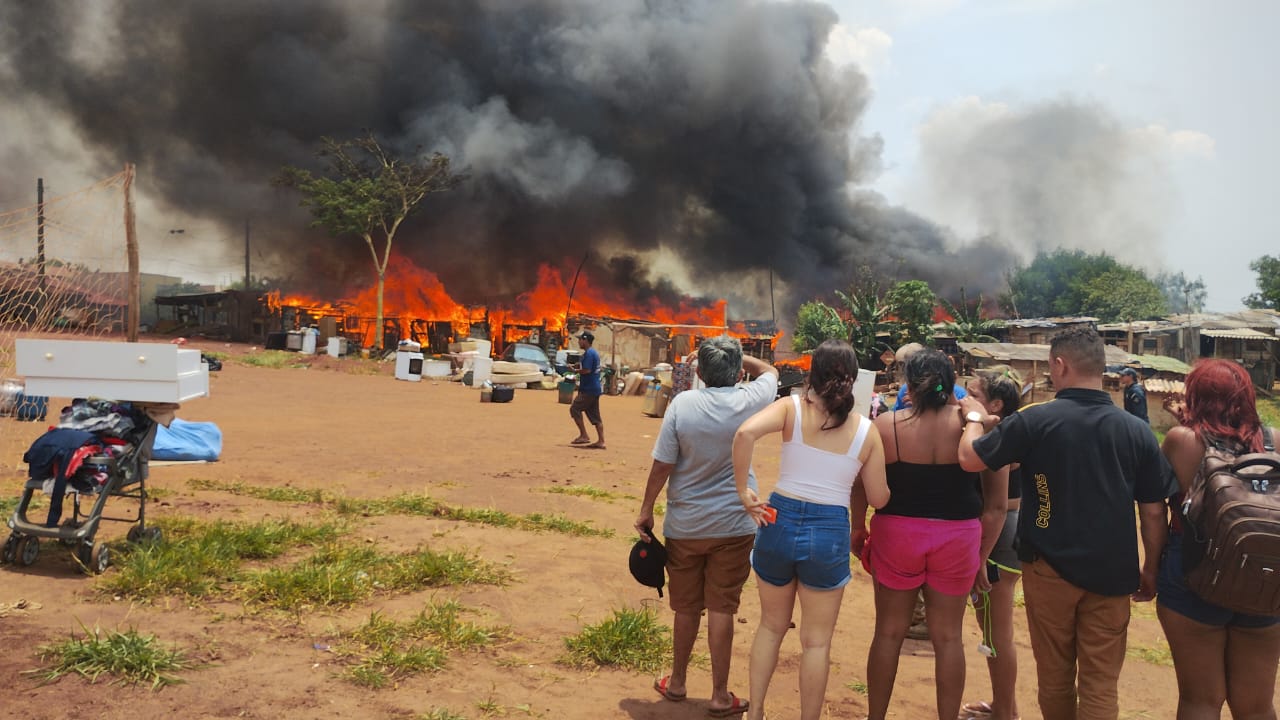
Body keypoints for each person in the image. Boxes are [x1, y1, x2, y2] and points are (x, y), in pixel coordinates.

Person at [958, 326, 1175, 720]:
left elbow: (972, 459)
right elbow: (1154, 510)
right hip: (1113, 573)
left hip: (1049, 568)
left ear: (1060, 365)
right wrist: (1151, 567)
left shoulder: (1035, 421)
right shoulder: (1137, 431)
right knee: (1100, 685)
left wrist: (974, 417)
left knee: (1055, 677)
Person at [731, 339, 890, 720]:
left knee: (770, 627)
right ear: (852, 380)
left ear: (812, 374)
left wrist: (743, 491)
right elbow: (880, 498)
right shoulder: (867, 432)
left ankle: (755, 715)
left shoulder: (791, 409)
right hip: (829, 529)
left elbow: (744, 435)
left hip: (777, 517)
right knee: (816, 643)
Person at [854, 349, 1008, 720]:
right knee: (949, 638)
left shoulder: (886, 426)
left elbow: (860, 483)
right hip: (958, 540)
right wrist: (980, 556)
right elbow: (995, 505)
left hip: (897, 536)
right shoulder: (977, 429)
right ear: (951, 383)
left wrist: (857, 527)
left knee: (888, 634)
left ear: (909, 384)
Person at [635, 336, 778, 717]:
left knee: (685, 608)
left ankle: (678, 682)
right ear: (736, 372)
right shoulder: (751, 400)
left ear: (698, 372)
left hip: (686, 526)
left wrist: (647, 508)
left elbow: (662, 464)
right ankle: (719, 694)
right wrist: (737, 358)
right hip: (734, 524)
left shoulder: (683, 405)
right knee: (722, 608)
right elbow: (769, 371)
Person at [1156, 358, 1280, 719]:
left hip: (1194, 573)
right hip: (1265, 576)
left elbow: (1159, 501)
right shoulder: (1275, 440)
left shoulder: (1181, 440)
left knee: (1201, 700)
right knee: (1256, 705)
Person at [958, 365, 1026, 720]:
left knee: (997, 631)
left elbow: (995, 509)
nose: (965, 398)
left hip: (1000, 538)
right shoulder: (1000, 429)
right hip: (1003, 533)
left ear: (995, 403)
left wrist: (980, 556)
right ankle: (1004, 706)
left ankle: (1007, 715)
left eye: (974, 394)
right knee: (991, 627)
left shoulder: (998, 435)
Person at [569, 331, 605, 449]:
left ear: (585, 340)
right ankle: (601, 441)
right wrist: (575, 367)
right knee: (595, 416)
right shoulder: (591, 353)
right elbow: (584, 367)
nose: (579, 341)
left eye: (580, 339)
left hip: (589, 389)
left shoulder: (589, 353)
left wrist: (575, 371)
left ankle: (584, 435)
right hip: (594, 388)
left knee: (575, 408)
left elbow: (587, 370)